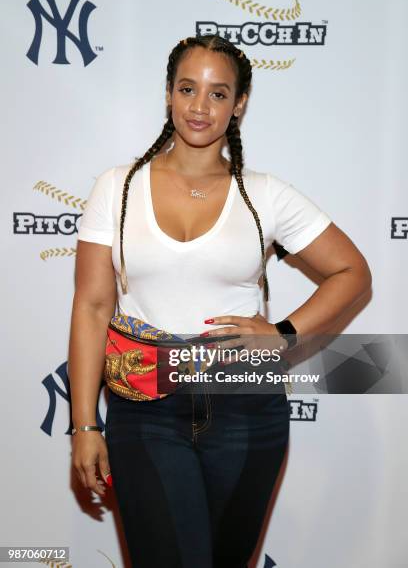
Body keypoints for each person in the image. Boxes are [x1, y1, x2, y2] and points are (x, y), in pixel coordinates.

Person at [68, 34, 372, 568]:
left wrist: (283, 334)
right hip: (145, 409)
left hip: (246, 407)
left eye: (217, 93)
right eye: (188, 89)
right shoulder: (115, 188)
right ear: (168, 94)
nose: (199, 107)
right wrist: (85, 425)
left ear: (240, 104)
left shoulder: (266, 193)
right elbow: (92, 307)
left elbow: (352, 272)